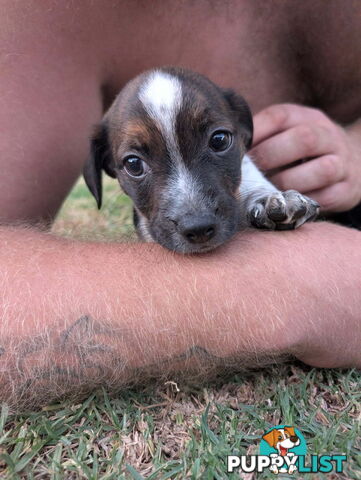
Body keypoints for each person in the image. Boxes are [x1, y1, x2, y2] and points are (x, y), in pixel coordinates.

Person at [0, 0, 360, 409]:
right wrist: (289, 287)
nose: (194, 213)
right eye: (135, 164)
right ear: (104, 172)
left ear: (244, 133)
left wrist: (354, 149)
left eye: (218, 142)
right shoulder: (39, 20)